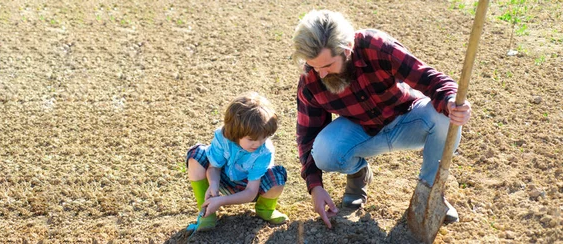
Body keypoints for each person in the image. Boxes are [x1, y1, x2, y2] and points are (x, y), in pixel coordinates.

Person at [291, 10, 472, 229]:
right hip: (363, 131)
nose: (320, 74)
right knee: (323, 151)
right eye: (314, 66)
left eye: (327, 66)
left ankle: (430, 195)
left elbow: (430, 79)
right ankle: (358, 174)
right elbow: (307, 136)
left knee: (445, 117)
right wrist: (315, 187)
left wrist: (451, 101)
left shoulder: (375, 46)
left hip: (408, 118)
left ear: (346, 48)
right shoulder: (310, 81)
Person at [185, 91, 289, 231]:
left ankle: (265, 209)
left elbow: (251, 191)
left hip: (250, 188)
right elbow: (214, 167)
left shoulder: (264, 152)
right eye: (251, 139)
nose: (258, 144)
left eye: (263, 137)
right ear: (235, 132)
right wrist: (213, 185)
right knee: (196, 155)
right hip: (225, 178)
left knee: (276, 178)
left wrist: (221, 201)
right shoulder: (223, 138)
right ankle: (206, 211)